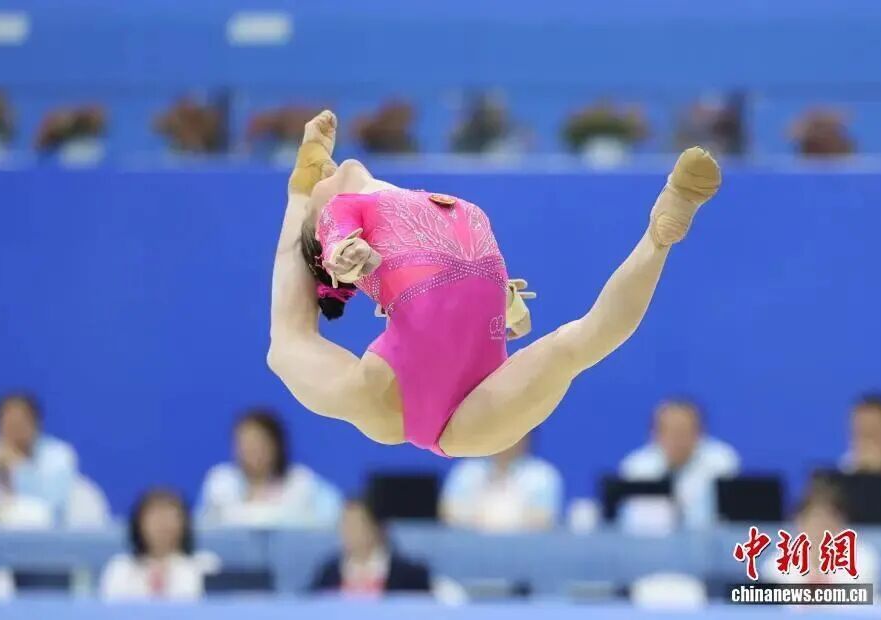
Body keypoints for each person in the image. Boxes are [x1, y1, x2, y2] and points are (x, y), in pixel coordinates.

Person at [267, 110, 722, 457]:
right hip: (415, 395)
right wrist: (314, 215)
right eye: (319, 181)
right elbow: (336, 243)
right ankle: (657, 241)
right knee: (577, 344)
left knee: (574, 346)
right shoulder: (342, 209)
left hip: (457, 401)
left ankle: (658, 237)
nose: (332, 171)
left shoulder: (419, 206)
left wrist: (505, 303)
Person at [198, 408, 342, 528]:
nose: (252, 451)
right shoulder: (219, 483)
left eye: (258, 443)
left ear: (276, 444)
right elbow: (202, 530)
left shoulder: (301, 482)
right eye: (245, 444)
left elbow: (333, 521)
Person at [619, 399, 740, 528]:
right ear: (654, 434)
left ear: (700, 432)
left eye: (684, 431)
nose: (677, 439)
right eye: (668, 431)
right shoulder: (636, 467)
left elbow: (725, 520)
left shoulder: (721, 462)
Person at [761, 481, 881, 591]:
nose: (820, 527)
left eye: (828, 519)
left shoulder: (863, 559)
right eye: (814, 519)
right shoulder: (777, 563)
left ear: (841, 522)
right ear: (799, 522)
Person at [100, 489, 215, 601]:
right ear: (139, 524)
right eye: (155, 518)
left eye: (170, 517)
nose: (162, 525)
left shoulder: (204, 566)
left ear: (184, 524)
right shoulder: (120, 568)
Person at [0, 393, 77, 527]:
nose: (15, 430)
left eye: (20, 423)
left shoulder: (59, 456)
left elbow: (54, 506)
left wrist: (19, 467)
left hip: (44, 531)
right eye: (9, 423)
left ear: (36, 423)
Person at [439, 435, 562, 532]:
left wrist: (498, 516)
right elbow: (448, 514)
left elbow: (543, 520)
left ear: (527, 438)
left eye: (515, 433)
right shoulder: (467, 471)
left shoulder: (542, 475)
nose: (507, 439)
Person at [311, 498, 430, 596]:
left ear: (377, 528)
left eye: (356, 524)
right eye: (344, 524)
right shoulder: (329, 573)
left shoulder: (410, 575)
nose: (347, 532)